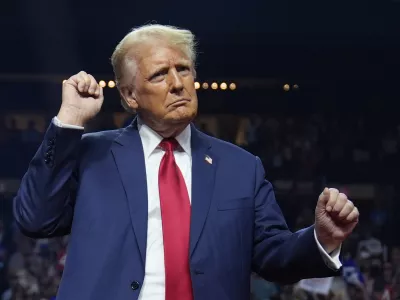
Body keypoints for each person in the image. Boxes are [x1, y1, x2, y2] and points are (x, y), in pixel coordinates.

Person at [13, 24, 359, 300]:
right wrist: (70, 120)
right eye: (160, 74)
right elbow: (35, 219)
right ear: (130, 96)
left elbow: (273, 255)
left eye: (184, 69)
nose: (178, 84)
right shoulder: (92, 155)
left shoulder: (241, 167)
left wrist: (320, 239)